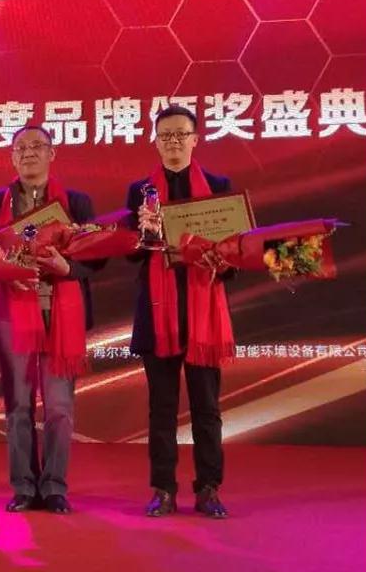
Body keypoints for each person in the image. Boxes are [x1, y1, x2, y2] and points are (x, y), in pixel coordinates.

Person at [0, 125, 102, 515]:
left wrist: (68, 268)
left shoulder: (76, 202)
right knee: (18, 404)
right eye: (21, 148)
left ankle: (55, 486)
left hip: (62, 312)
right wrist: (3, 268)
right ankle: (24, 486)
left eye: (37, 146)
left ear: (52, 153)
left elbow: (97, 257)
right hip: (12, 313)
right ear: (12, 157)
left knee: (59, 406)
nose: (29, 153)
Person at [127, 105, 233, 519]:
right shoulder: (139, 191)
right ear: (155, 142)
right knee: (162, 409)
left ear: (195, 139)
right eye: (165, 135)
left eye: (180, 134)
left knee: (207, 408)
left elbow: (233, 248)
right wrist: (143, 233)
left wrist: (221, 258)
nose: (173, 141)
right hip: (158, 314)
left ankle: (209, 488)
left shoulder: (219, 186)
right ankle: (163, 489)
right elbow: (131, 255)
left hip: (204, 311)